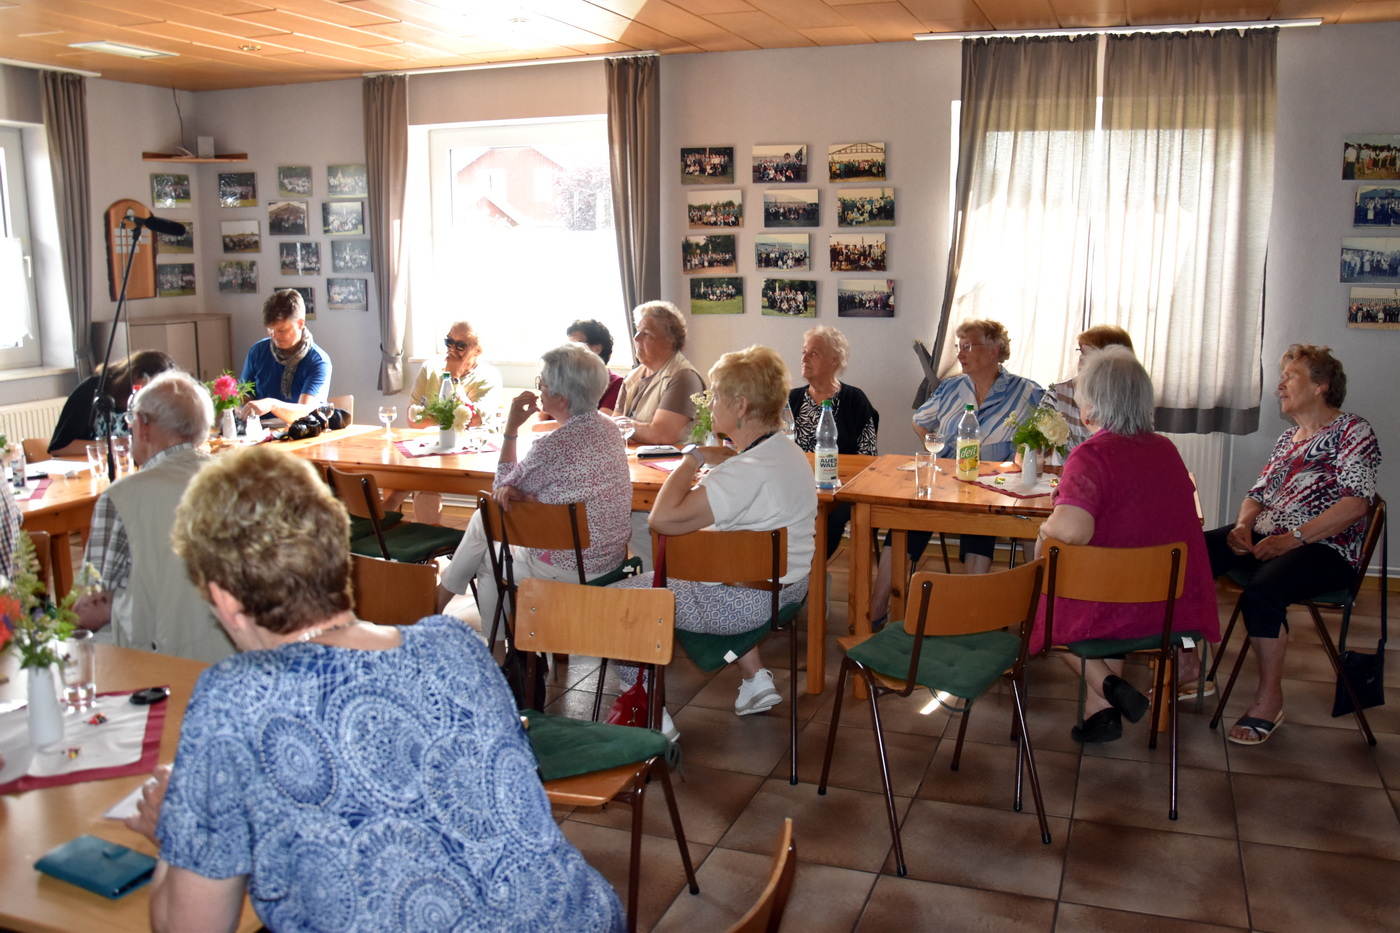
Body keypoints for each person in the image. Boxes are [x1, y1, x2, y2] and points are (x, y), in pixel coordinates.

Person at [121, 445, 624, 933]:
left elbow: (190, 925)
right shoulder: (455, 645)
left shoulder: (236, 698)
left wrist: (180, 830)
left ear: (224, 600)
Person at [614, 345, 815, 733]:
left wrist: (694, 457)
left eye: (716, 396)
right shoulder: (787, 452)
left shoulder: (743, 472)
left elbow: (662, 519)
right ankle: (755, 681)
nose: (710, 403)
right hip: (786, 590)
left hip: (746, 603)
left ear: (740, 405)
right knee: (719, 567)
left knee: (627, 600)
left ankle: (648, 713)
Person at [1031, 347, 1220, 743]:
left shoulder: (1092, 455)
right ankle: (1099, 714)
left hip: (1115, 606)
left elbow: (1073, 531)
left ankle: (1108, 687)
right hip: (1170, 606)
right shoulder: (1165, 449)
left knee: (1040, 605)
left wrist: (1044, 530)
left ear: (1092, 405)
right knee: (1101, 585)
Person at [1205, 344, 1380, 747]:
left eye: (1291, 376)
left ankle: (1270, 701)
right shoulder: (1289, 438)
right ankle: (1187, 666)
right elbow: (1258, 493)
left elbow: (1355, 505)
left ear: (1321, 385)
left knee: (1262, 592)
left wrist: (1293, 540)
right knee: (1189, 556)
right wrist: (1245, 525)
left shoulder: (1353, 431)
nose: (1280, 384)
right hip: (1272, 536)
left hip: (1327, 549)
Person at [436, 343, 632, 628]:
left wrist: (511, 429)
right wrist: (526, 493)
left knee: (488, 549)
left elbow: (500, 490)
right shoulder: (610, 428)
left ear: (562, 399)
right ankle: (439, 602)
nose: (540, 388)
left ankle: (491, 646)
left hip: (569, 567)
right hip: (609, 560)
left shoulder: (553, 446)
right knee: (485, 526)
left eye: (543, 383)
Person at [870, 319, 1043, 624]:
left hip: (995, 486)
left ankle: (970, 613)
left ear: (995, 350)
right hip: (946, 480)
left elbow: (1041, 436)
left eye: (968, 346)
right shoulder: (951, 388)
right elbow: (921, 420)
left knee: (981, 522)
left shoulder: (1026, 391)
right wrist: (937, 451)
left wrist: (1020, 457)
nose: (961, 354)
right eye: (958, 346)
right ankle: (876, 608)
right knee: (906, 518)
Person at [72, 371, 230, 663]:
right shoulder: (242, 479)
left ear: (143, 424)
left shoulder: (123, 497)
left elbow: (96, 601)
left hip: (162, 664)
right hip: (245, 652)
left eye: (131, 421)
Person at [389, 320, 504, 523]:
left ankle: (382, 512)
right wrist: (450, 420)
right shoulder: (430, 368)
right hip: (436, 447)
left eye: (460, 345)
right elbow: (413, 419)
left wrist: (454, 378)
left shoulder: (489, 376)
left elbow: (472, 420)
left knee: (418, 477)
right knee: (421, 476)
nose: (452, 349)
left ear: (478, 350)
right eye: (449, 341)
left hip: (477, 450)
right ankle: (429, 545)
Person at [789, 325, 879, 557]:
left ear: (834, 360)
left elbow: (868, 458)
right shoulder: (791, 399)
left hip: (840, 490)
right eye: (804, 352)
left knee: (830, 516)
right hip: (796, 486)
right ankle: (787, 571)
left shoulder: (854, 400)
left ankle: (811, 576)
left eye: (814, 353)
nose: (805, 358)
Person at [48, 350, 177, 456]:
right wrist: (115, 444)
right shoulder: (93, 388)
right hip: (95, 471)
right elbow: (59, 447)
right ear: (134, 375)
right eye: (150, 385)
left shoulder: (162, 399)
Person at [614, 300, 704, 446]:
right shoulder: (632, 377)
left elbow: (662, 435)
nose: (636, 338)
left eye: (646, 334)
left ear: (669, 341)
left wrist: (627, 427)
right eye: (637, 330)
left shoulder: (683, 377)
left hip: (672, 464)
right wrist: (630, 430)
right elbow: (614, 426)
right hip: (637, 461)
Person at [239, 288, 331, 424]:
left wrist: (272, 404)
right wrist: (236, 402)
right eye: (271, 329)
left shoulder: (318, 361)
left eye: (282, 330)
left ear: (300, 323)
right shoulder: (258, 351)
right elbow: (244, 396)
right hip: (258, 431)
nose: (274, 336)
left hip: (299, 433)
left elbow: (306, 412)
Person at [1045, 324, 1135, 451]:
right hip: (1065, 470)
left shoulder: (1134, 400)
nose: (1082, 359)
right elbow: (1031, 446)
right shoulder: (1057, 394)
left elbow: (1135, 449)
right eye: (1081, 352)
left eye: (1090, 354)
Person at [568, 318, 625, 412]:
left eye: (575, 343)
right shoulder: (562, 379)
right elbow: (541, 416)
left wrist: (541, 426)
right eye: (568, 344)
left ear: (596, 349)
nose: (568, 349)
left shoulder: (616, 383)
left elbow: (599, 424)